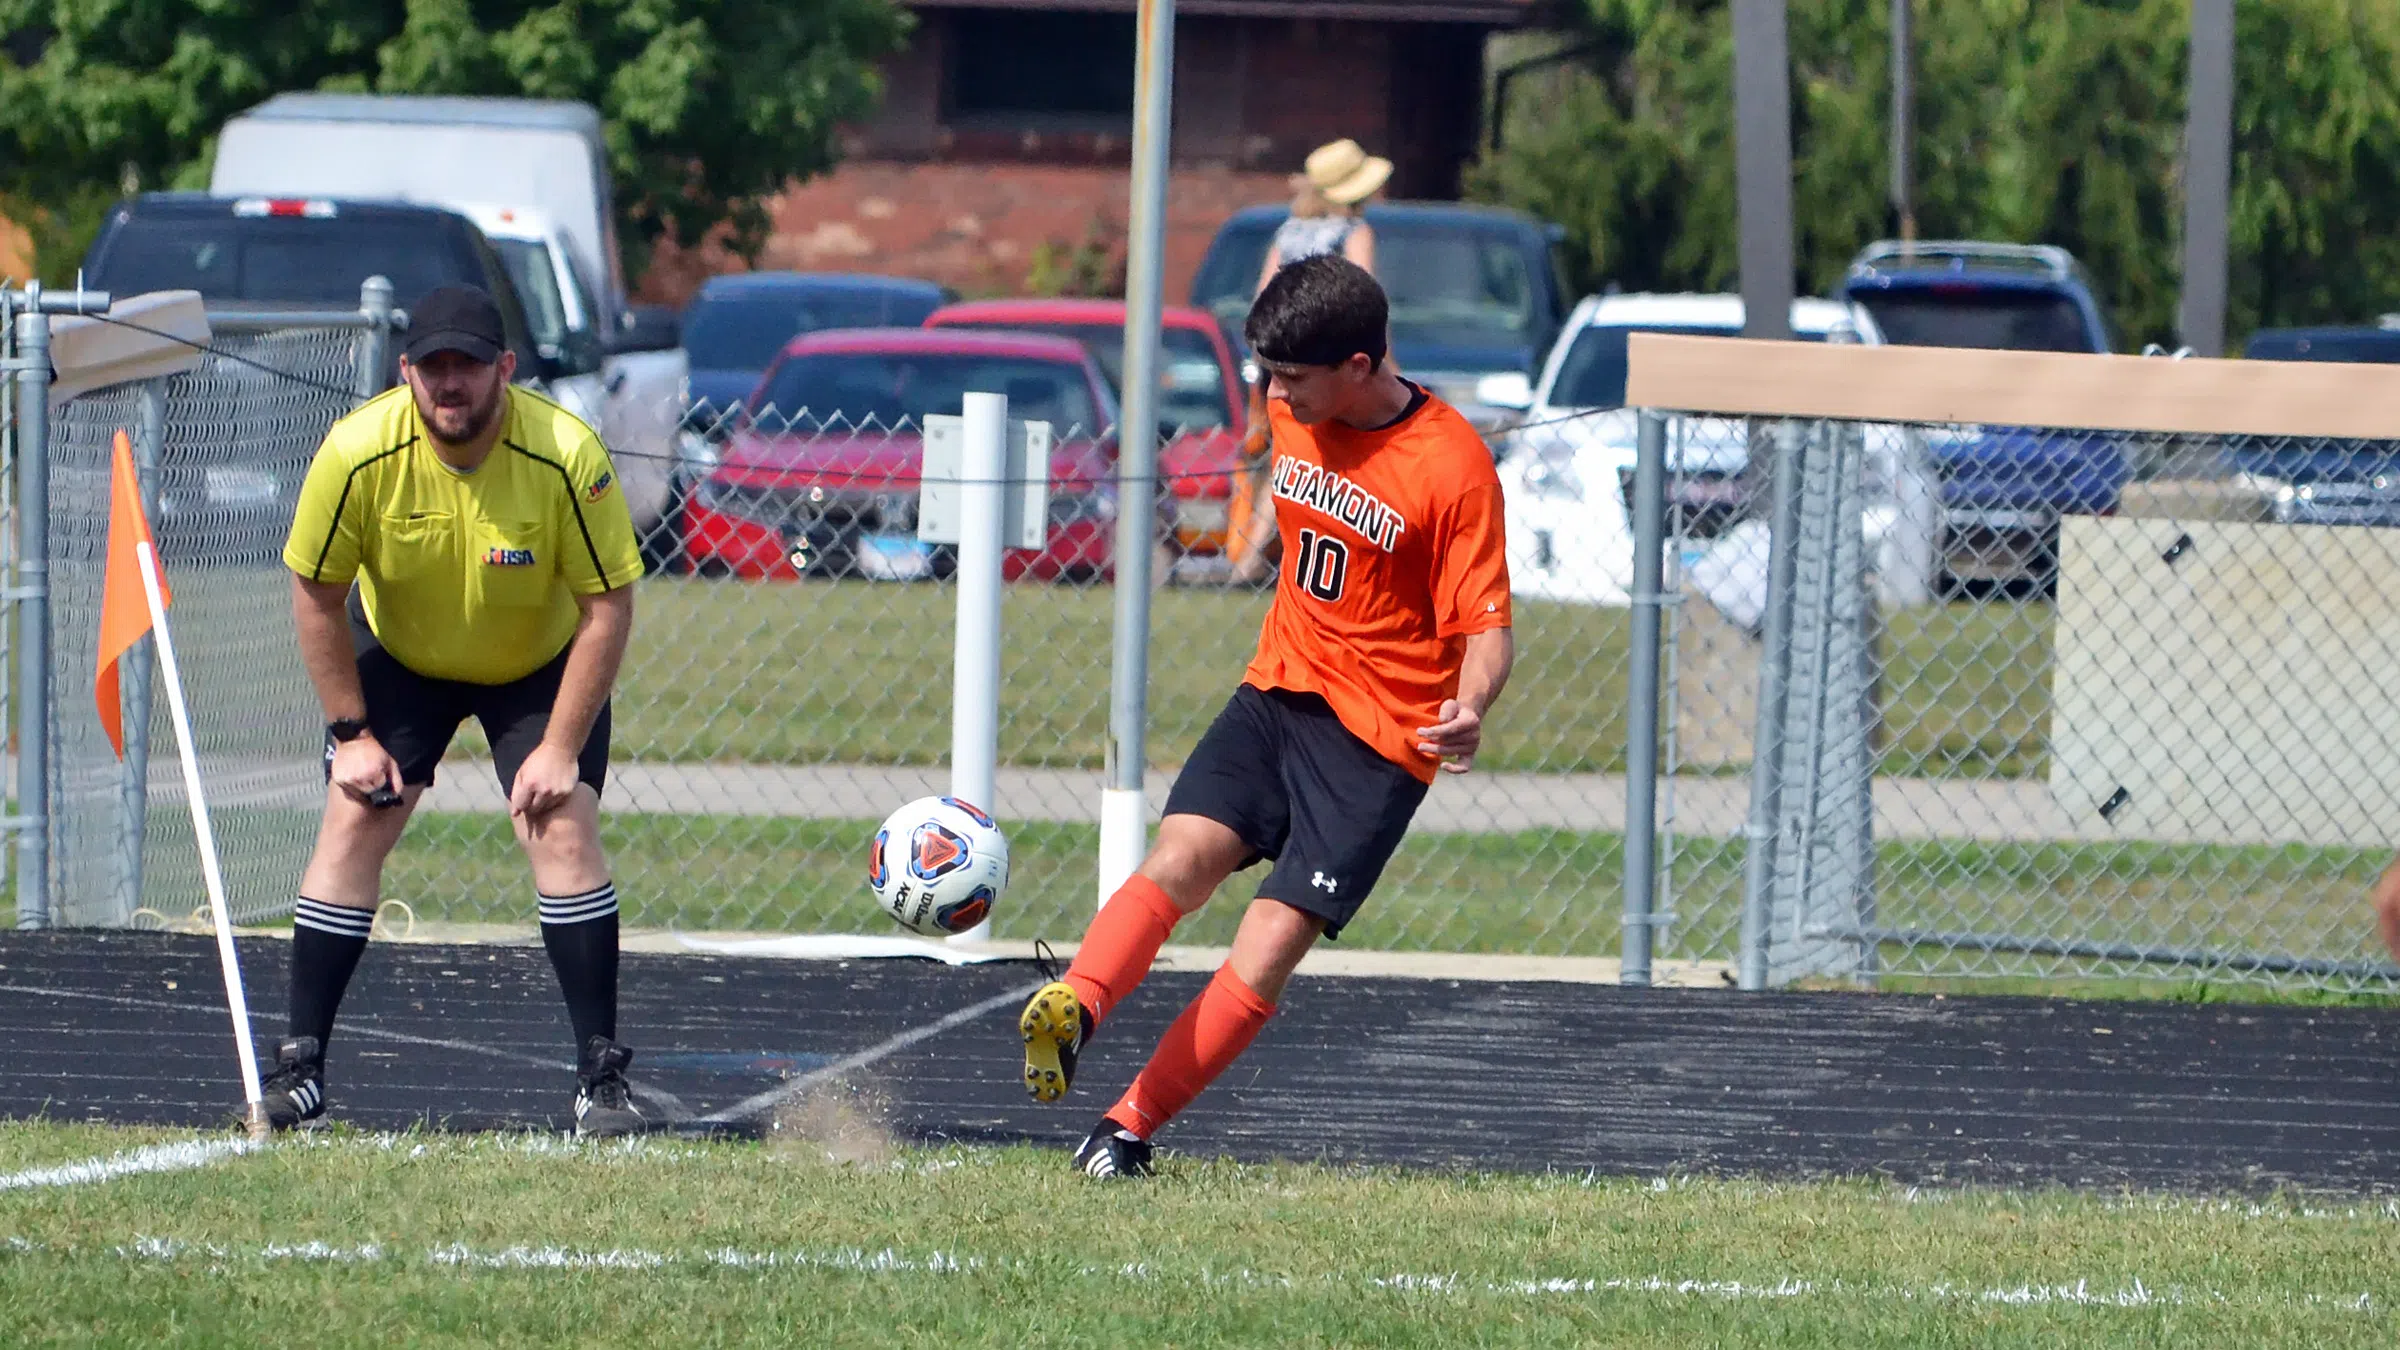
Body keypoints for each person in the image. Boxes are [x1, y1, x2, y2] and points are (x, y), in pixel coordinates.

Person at [1019, 255, 1516, 1177]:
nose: (1276, 394)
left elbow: (1487, 625)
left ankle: (1125, 1129)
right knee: (1180, 857)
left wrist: (1471, 705)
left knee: (1268, 943)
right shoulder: (1291, 408)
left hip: (1378, 743)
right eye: (1269, 373)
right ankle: (1075, 1008)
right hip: (1279, 688)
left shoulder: (1451, 466)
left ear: (1361, 367)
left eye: (1292, 376)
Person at [257, 284, 647, 1136]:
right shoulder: (356, 453)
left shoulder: (566, 453)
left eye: (466, 365)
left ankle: (601, 1083)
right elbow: (315, 593)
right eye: (431, 367)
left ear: (504, 368)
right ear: (405, 373)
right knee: (353, 819)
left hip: (537, 662)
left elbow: (608, 606)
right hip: (401, 655)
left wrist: (560, 747)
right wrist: (350, 735)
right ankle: (300, 1071)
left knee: (562, 824)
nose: (449, 385)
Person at [1227, 139, 1394, 584]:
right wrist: (1387, 370)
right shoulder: (1353, 234)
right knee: (1338, 462)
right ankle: (1260, 561)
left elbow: (1264, 300)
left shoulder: (1289, 233)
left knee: (1293, 457)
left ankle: (1262, 556)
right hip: (1333, 365)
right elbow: (1367, 306)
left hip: (1280, 364)